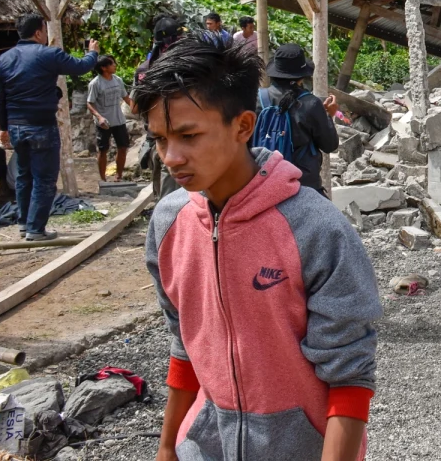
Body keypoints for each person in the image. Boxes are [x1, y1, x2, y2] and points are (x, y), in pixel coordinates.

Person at [137, 35, 379, 461]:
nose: (171, 157)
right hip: (203, 446)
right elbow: (186, 345)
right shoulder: (168, 223)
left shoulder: (317, 229)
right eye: (159, 139)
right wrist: (166, 446)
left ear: (243, 126)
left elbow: (350, 378)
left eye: (189, 136)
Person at [0, 14, 99, 241]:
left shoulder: (2, 60)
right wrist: (92, 52)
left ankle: (24, 223)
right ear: (39, 33)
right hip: (41, 126)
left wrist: (3, 127)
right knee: (44, 178)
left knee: (24, 176)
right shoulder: (48, 55)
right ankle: (35, 229)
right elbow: (81, 67)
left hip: (16, 127)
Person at [256, 44, 339, 196]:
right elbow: (330, 145)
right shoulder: (311, 104)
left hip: (261, 184)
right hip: (303, 186)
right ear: (302, 76)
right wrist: (329, 116)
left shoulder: (256, 99)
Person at [134, 17, 185, 200]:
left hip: (156, 136)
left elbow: (135, 107)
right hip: (182, 135)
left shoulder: (144, 69)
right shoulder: (182, 66)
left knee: (164, 190)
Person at [86, 56, 132, 182]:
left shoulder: (118, 80)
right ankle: (102, 179)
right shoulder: (95, 83)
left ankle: (118, 176)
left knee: (122, 147)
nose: (115, 65)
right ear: (104, 68)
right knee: (103, 150)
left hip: (119, 120)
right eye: (112, 64)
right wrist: (99, 117)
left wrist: (137, 109)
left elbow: (126, 98)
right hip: (103, 123)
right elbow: (90, 103)